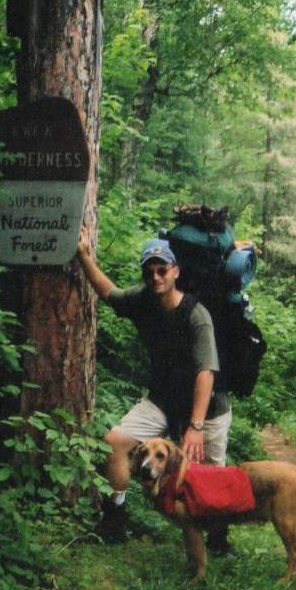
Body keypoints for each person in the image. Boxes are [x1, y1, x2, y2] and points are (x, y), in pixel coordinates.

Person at [76, 227, 232, 544]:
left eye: (162, 270)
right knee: (116, 441)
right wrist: (82, 256)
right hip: (163, 401)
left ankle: (217, 538)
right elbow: (109, 293)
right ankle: (115, 518)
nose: (156, 277)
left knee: (212, 475)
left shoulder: (195, 314)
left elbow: (206, 373)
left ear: (176, 271)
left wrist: (196, 426)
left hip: (208, 409)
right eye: (150, 271)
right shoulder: (143, 299)